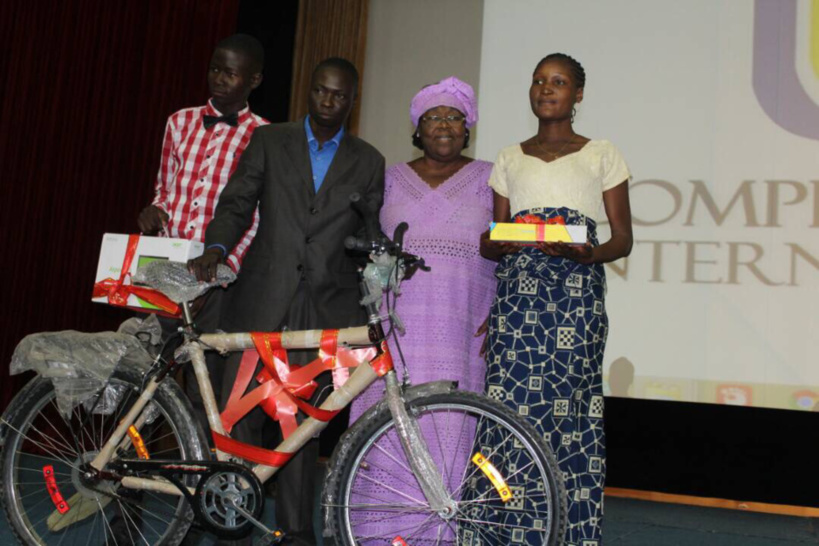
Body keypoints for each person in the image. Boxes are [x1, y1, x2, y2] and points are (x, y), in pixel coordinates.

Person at [189, 57, 385, 545]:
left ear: (351, 101)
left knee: (301, 422)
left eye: (338, 95)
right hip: (260, 297)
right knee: (242, 412)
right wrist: (216, 247)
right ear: (309, 91)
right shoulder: (270, 141)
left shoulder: (369, 160)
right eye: (320, 90)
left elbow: (367, 235)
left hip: (323, 308)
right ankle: (230, 516)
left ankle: (296, 532)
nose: (327, 101)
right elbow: (237, 202)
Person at [480, 53, 633, 545]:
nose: (547, 89)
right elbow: (488, 240)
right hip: (518, 299)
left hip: (575, 294)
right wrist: (502, 240)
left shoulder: (601, 153)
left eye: (559, 82)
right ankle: (504, 533)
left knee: (568, 408)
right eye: (539, 81)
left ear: (578, 94)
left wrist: (586, 255)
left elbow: (622, 239)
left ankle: (566, 532)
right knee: (509, 407)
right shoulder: (508, 156)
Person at [347, 76, 496, 541]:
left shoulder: (492, 179)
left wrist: (502, 313)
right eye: (433, 117)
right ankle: (376, 535)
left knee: (449, 434)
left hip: (463, 331)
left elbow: (511, 252)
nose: (444, 126)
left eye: (454, 116)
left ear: (468, 126)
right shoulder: (388, 179)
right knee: (388, 431)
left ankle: (440, 537)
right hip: (397, 331)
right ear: (417, 128)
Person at [136, 33, 267, 435]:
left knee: (202, 381)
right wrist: (154, 210)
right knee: (146, 374)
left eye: (230, 73)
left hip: (216, 278)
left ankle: (195, 471)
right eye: (215, 69)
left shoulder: (263, 135)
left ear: (254, 80)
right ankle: (130, 473)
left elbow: (257, 213)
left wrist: (227, 264)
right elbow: (165, 186)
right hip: (168, 267)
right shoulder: (179, 121)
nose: (219, 79)